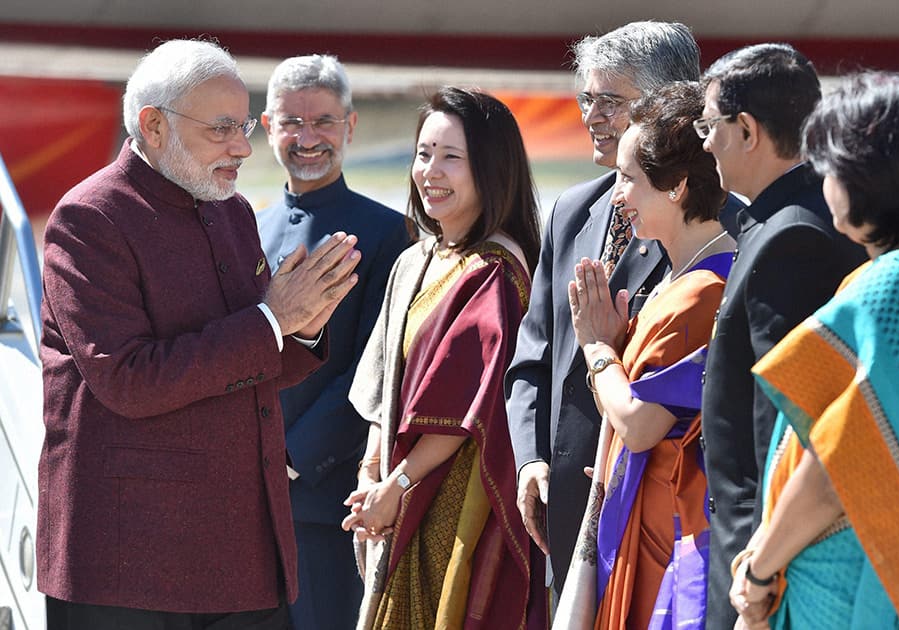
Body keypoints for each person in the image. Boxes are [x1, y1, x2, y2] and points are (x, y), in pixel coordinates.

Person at [38, 40, 362, 630]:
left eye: (242, 127)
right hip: (128, 564)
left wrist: (303, 330)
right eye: (221, 130)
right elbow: (128, 379)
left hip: (242, 553)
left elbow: (253, 361)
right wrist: (272, 322)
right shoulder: (90, 218)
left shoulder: (231, 211)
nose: (243, 146)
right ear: (153, 125)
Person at [730, 71, 899, 630]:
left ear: (870, 172)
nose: (823, 185)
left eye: (830, 168)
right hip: (875, 558)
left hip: (846, 576)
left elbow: (841, 467)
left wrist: (760, 568)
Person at [504, 22, 712, 597]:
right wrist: (529, 461)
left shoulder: (708, 232)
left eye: (611, 101)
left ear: (667, 108)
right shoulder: (572, 210)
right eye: (586, 98)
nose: (591, 116)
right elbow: (533, 355)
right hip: (563, 507)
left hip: (653, 511)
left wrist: (605, 346)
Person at [343, 87, 547, 629]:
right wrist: (370, 478)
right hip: (394, 490)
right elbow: (383, 388)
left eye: (451, 157)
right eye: (423, 153)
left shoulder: (497, 271)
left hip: (455, 504)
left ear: (490, 168)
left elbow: (463, 412)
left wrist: (396, 487)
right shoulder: (414, 260)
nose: (430, 171)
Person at [695, 43, 868, 628]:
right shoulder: (801, 216)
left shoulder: (788, 236)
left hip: (762, 551)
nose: (704, 141)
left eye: (707, 124)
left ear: (745, 130)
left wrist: (761, 574)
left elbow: (786, 429)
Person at [554, 82, 734, 629]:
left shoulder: (700, 291)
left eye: (629, 178)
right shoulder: (682, 278)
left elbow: (638, 423)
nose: (617, 195)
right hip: (650, 518)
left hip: (669, 534)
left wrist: (596, 348)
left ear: (677, 187)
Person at [255, 54, 411, 630]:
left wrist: (292, 460)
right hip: (240, 502)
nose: (308, 138)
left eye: (322, 122)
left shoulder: (388, 233)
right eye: (292, 123)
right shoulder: (244, 225)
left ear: (350, 126)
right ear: (268, 127)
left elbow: (378, 369)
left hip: (324, 502)